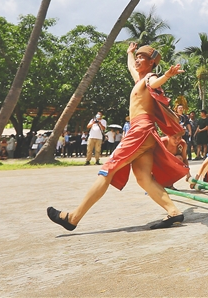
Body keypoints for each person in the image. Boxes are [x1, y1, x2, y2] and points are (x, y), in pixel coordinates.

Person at [47, 44, 189, 231]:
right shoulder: (138, 79)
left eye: (141, 58)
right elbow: (131, 66)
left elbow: (155, 82)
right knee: (143, 178)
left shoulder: (148, 77)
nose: (137, 60)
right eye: (137, 57)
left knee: (107, 169)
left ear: (152, 62)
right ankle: (174, 212)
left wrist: (167, 76)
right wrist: (129, 52)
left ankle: (73, 218)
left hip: (140, 131)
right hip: (144, 134)